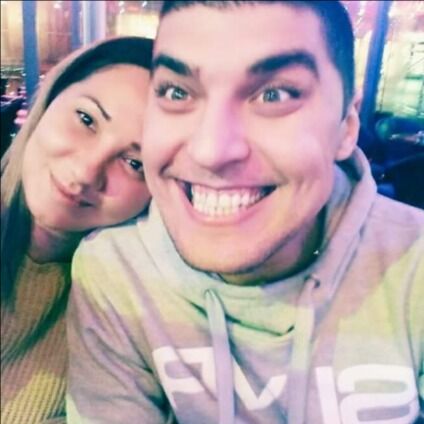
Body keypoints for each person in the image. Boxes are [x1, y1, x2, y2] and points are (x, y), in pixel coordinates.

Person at [67, 1, 424, 423]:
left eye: (275, 95)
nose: (211, 150)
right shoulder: (118, 272)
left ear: (346, 127)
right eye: (177, 92)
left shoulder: (413, 265)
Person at [1, 36, 153, 423]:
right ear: (49, 101)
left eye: (135, 163)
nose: (87, 172)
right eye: (86, 120)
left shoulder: (127, 321)